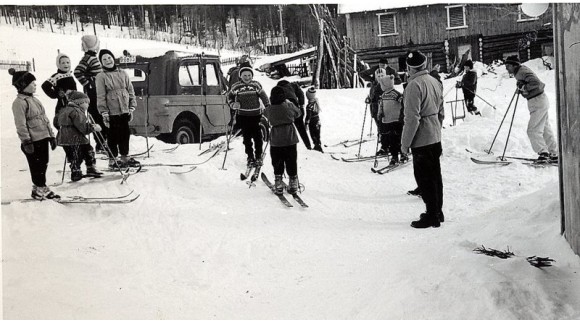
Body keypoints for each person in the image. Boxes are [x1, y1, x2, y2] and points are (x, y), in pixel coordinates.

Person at [401, 50, 445, 229]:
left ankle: (431, 216)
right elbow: (441, 110)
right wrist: (437, 127)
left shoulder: (413, 85)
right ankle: (437, 212)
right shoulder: (434, 81)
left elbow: (412, 118)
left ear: (410, 68)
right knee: (435, 176)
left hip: (422, 139)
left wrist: (404, 144)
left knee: (424, 178)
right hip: (435, 135)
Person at [9, 68, 60, 200]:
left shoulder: (34, 100)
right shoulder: (19, 103)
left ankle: (40, 187)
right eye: (32, 83)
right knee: (36, 166)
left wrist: (51, 136)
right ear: (23, 85)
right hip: (32, 140)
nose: (35, 85)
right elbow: (20, 124)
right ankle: (40, 189)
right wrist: (26, 141)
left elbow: (44, 118)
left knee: (44, 163)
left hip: (43, 137)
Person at [504, 55, 558, 163]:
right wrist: (522, 87)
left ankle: (543, 153)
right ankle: (554, 153)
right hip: (539, 101)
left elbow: (537, 84)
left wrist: (523, 87)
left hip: (538, 101)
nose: (506, 68)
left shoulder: (522, 71)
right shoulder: (520, 71)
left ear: (515, 65)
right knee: (545, 129)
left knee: (533, 130)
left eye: (508, 66)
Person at [95, 49, 139, 169]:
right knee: (113, 136)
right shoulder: (101, 76)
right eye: (104, 59)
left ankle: (125, 157)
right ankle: (112, 160)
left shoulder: (123, 73)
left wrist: (131, 107)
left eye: (109, 58)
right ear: (101, 62)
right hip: (111, 111)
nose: (107, 61)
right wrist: (104, 112)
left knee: (125, 134)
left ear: (113, 58)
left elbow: (130, 90)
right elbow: (100, 95)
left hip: (124, 109)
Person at [227, 65, 270, 167]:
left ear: (252, 75)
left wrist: (268, 106)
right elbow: (229, 97)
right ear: (240, 76)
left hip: (256, 115)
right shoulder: (236, 87)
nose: (247, 77)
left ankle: (258, 156)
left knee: (258, 137)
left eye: (249, 75)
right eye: (244, 75)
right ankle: (250, 157)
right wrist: (233, 104)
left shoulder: (256, 85)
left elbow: (264, 96)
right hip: (243, 115)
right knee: (247, 138)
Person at [56, 91, 103, 181]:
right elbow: (83, 128)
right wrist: (93, 127)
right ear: (80, 103)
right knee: (88, 151)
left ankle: (75, 171)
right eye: (86, 103)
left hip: (64, 138)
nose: (88, 105)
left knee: (73, 155)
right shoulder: (77, 112)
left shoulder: (64, 109)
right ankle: (90, 168)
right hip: (76, 138)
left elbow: (56, 122)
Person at [264, 86, 301, 195]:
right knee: (291, 160)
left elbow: (265, 115)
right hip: (290, 137)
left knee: (277, 161)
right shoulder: (289, 105)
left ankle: (278, 183)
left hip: (276, 139)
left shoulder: (269, 109)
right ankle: (293, 182)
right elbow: (298, 113)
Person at [74, 35, 106, 153]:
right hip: (92, 93)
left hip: (97, 91)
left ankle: (102, 142)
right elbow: (77, 71)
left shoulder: (92, 57)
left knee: (99, 115)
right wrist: (89, 84)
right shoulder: (88, 58)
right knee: (96, 116)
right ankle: (100, 144)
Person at [377, 74, 407, 165]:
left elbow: (403, 101)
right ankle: (394, 156)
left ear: (386, 84)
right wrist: (379, 113)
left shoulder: (395, 93)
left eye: (382, 84)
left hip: (397, 120)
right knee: (391, 139)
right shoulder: (383, 95)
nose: (381, 86)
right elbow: (381, 106)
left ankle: (403, 154)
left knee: (399, 137)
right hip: (387, 121)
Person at [41, 53, 77, 129]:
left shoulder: (69, 75)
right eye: (63, 62)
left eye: (67, 62)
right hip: (63, 105)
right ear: (58, 64)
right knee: (64, 127)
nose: (66, 64)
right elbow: (45, 86)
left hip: (73, 104)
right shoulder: (56, 76)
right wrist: (56, 94)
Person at [277, 79, 312, 150]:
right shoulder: (293, 85)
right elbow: (301, 94)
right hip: (294, 104)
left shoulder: (277, 88)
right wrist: (301, 105)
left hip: (282, 106)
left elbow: (273, 99)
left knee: (284, 127)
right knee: (301, 127)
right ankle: (308, 146)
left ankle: (284, 146)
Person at [304, 86, 324, 153]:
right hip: (317, 120)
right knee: (317, 134)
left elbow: (308, 116)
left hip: (312, 122)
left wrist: (306, 123)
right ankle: (318, 144)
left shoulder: (309, 106)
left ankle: (317, 146)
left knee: (313, 134)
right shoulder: (316, 102)